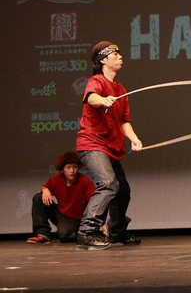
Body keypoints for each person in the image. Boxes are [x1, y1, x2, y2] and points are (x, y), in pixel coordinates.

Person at [75, 41, 143, 250]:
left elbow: (124, 122)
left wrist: (134, 138)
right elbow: (91, 98)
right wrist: (103, 100)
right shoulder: (96, 81)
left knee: (123, 192)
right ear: (103, 60)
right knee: (107, 184)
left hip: (111, 147)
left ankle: (116, 232)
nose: (120, 57)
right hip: (93, 143)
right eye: (116, 54)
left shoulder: (121, 89)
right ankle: (87, 232)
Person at [27, 152, 96, 244]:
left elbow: (95, 202)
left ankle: (78, 234)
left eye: (75, 167)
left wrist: (99, 223)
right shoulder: (57, 179)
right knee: (38, 198)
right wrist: (45, 189)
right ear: (62, 169)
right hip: (60, 214)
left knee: (64, 235)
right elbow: (44, 187)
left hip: (76, 219)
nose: (72, 171)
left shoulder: (85, 181)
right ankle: (43, 234)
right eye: (68, 167)